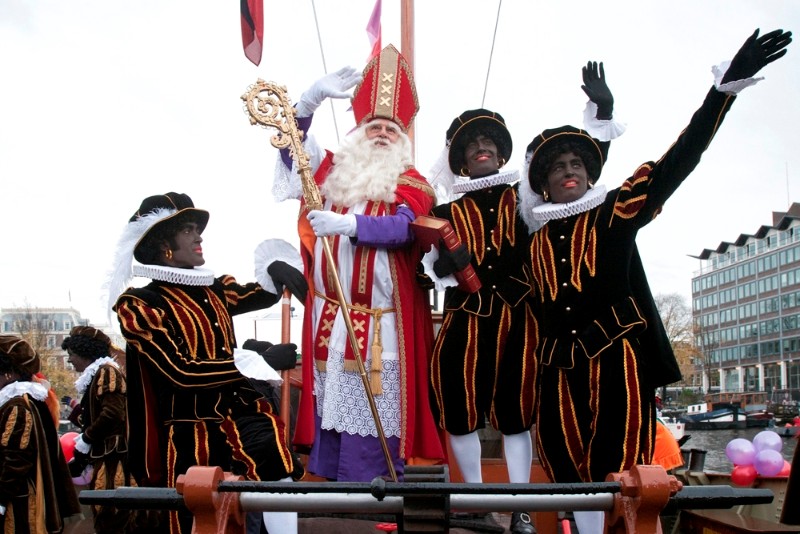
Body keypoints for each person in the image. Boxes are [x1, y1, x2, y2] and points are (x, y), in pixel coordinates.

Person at [521, 29, 791, 534]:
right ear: (541, 182)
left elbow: (676, 162)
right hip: (557, 372)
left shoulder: (615, 211)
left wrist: (721, 94)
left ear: (590, 170)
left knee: (618, 470)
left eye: (577, 162)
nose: (568, 171)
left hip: (615, 360)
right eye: (557, 167)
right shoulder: (532, 241)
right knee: (566, 470)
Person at [423, 64, 623, 534]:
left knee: (519, 413)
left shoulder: (525, 197)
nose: (481, 147)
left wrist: (602, 114)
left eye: (488, 140)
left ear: (500, 148)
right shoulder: (443, 211)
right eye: (472, 145)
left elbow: (577, 182)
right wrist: (443, 266)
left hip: (520, 318)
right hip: (465, 318)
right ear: (461, 159)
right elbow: (424, 269)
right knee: (459, 405)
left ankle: (521, 507)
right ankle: (474, 500)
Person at [269, 44, 445, 481]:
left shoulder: (412, 182)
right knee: (333, 404)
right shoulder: (332, 172)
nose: (382, 133)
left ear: (402, 138)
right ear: (358, 132)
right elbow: (293, 152)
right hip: (332, 317)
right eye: (373, 126)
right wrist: (307, 104)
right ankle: (334, 489)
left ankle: (385, 489)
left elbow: (405, 227)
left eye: (390, 128)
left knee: (382, 409)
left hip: (384, 322)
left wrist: (350, 227)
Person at [107, 192, 307, 534]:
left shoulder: (214, 289)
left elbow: (259, 292)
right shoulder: (140, 304)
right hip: (190, 432)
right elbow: (180, 371)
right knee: (199, 516)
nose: (198, 236)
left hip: (240, 414)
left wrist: (275, 269)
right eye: (187, 229)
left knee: (278, 473)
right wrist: (257, 360)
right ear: (162, 245)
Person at [61, 325, 143, 533]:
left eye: (71, 355)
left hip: (114, 458)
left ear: (84, 352)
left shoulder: (107, 372)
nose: (69, 360)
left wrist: (86, 439)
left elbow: (113, 414)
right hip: (104, 457)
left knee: (113, 514)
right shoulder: (100, 373)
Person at [0, 335, 82, 533]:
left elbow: (15, 459)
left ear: (8, 372)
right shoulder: (25, 400)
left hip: (19, 502)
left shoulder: (18, 405)